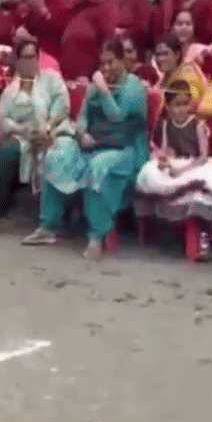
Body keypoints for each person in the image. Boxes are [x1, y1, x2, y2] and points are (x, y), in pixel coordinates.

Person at [24, 38, 149, 259]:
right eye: (103, 64)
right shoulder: (96, 85)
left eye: (111, 63)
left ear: (122, 61)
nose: (106, 68)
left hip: (124, 150)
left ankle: (96, 236)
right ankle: (48, 226)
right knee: (56, 155)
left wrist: (103, 91)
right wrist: (82, 134)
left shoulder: (134, 87)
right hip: (92, 144)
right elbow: (82, 118)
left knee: (99, 167)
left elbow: (118, 117)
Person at [0, 39, 70, 238]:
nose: (29, 62)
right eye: (25, 58)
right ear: (18, 61)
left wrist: (47, 129)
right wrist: (24, 131)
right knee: (5, 152)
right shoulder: (11, 91)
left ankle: (53, 221)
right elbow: (4, 121)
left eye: (33, 57)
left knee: (58, 154)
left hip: (55, 131)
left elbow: (63, 106)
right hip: (25, 137)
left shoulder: (51, 79)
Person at [135, 79, 212, 258]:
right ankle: (160, 223)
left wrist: (183, 171)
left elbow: (203, 156)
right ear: (168, 107)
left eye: (185, 104)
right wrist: (164, 160)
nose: (181, 109)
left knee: (202, 183)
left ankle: (202, 233)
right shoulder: (166, 125)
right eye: (176, 105)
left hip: (196, 164)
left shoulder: (197, 125)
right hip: (176, 162)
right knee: (150, 171)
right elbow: (167, 150)